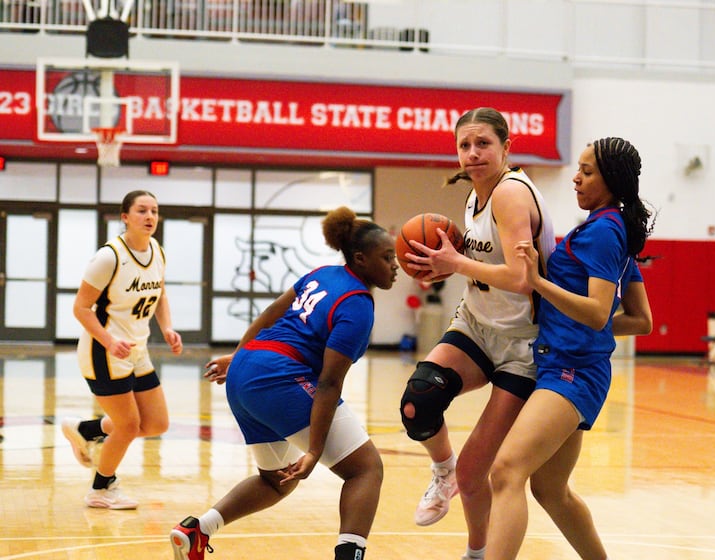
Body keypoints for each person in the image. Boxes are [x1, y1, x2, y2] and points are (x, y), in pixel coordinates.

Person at [169, 207, 397, 560]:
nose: (396, 265)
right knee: (365, 469)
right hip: (278, 376)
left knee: (276, 480)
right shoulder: (357, 305)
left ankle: (197, 530)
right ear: (360, 259)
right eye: (387, 257)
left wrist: (239, 356)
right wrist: (315, 451)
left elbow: (269, 314)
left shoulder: (322, 274)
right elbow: (328, 384)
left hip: (247, 368)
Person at [399, 107, 556, 560]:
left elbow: (523, 279)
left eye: (483, 143)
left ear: (507, 147)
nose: (472, 153)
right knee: (418, 402)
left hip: (522, 343)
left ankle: (476, 552)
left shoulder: (510, 193)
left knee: (475, 475)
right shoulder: (475, 195)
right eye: (464, 145)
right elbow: (483, 264)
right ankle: (441, 470)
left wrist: (457, 263)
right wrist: (445, 263)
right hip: (476, 324)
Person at [486, 136, 653, 560]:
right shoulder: (612, 228)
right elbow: (640, 320)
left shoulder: (603, 233)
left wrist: (537, 282)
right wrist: (581, 327)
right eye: (577, 168)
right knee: (550, 490)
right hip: (573, 367)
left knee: (506, 471)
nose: (576, 178)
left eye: (587, 171)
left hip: (571, 373)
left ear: (611, 179)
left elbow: (597, 312)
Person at [60, 190, 182, 509]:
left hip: (137, 350)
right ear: (125, 217)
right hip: (103, 351)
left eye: (154, 211)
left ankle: (86, 429)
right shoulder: (109, 257)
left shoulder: (157, 251)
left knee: (156, 423)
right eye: (142, 210)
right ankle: (101, 489)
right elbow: (80, 308)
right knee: (128, 426)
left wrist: (167, 328)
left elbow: (160, 295)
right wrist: (109, 341)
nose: (150, 216)